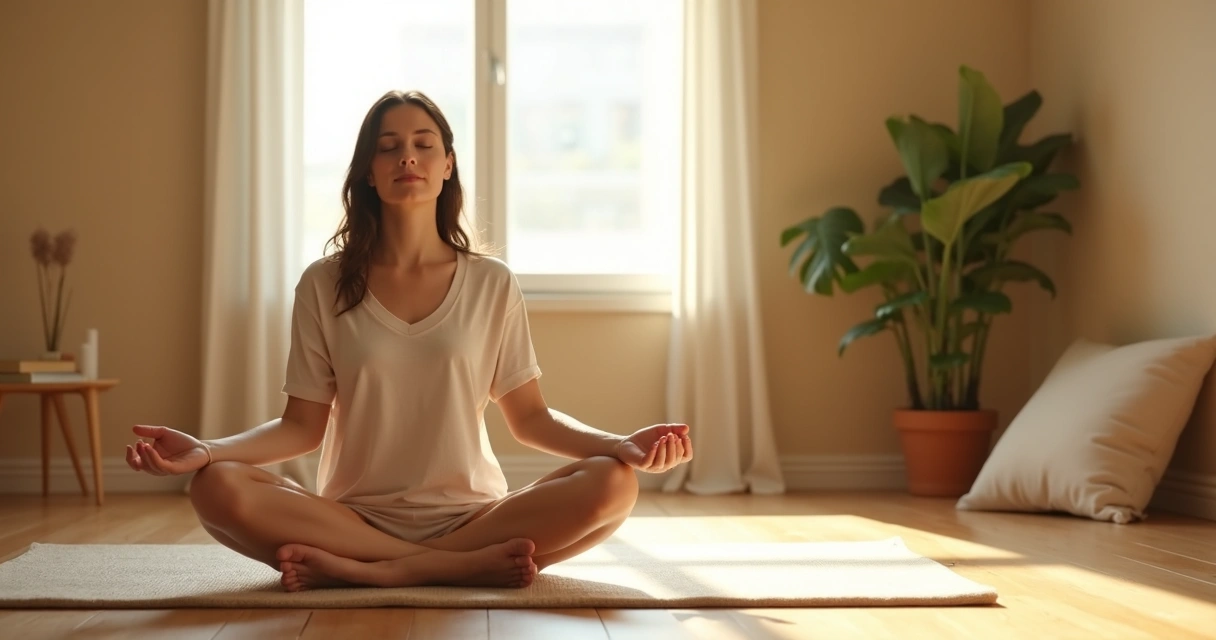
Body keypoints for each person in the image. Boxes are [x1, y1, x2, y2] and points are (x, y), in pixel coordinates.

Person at [124, 89, 693, 592]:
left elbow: (531, 420)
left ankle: (377, 572)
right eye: (388, 146)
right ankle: (451, 569)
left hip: (475, 518)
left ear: (448, 165)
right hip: (350, 521)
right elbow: (301, 427)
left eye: (423, 144)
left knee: (614, 485)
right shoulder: (323, 283)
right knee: (215, 489)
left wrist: (620, 445)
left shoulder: (492, 283)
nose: (407, 157)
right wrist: (208, 450)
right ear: (368, 171)